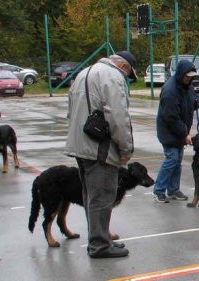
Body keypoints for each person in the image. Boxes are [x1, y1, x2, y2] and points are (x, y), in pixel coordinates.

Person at [64, 50, 137, 258]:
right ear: (124, 67)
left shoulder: (84, 73)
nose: (127, 79)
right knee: (103, 197)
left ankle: (99, 239)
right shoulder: (112, 77)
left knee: (91, 196)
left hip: (81, 145)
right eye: (129, 75)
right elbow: (118, 117)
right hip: (100, 148)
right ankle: (100, 245)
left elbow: (70, 111)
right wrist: (125, 149)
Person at [153, 60, 199, 203]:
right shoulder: (170, 91)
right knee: (172, 159)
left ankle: (173, 190)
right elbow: (171, 117)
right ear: (181, 74)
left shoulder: (187, 86)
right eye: (187, 76)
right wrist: (185, 133)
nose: (189, 79)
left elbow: (190, 101)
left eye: (191, 77)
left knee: (177, 161)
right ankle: (158, 190)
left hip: (180, 130)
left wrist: (196, 102)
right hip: (168, 131)